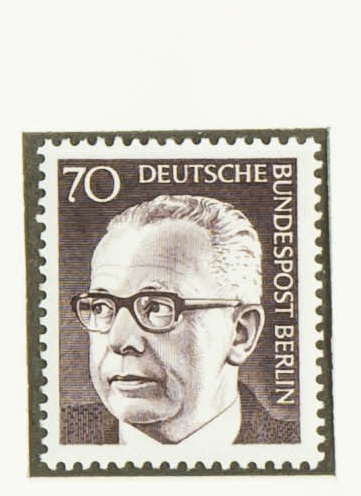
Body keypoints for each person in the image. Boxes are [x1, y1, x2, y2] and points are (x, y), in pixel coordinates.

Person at [71, 190, 273, 449]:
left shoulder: (295, 445)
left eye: (156, 307)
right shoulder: (56, 434)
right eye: (101, 307)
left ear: (240, 333)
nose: (118, 340)